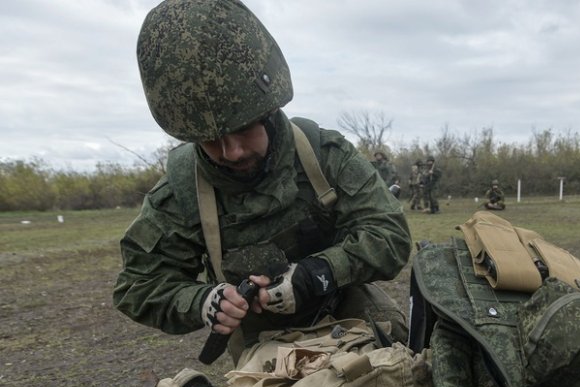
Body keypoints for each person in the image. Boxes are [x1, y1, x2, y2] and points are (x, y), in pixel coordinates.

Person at [114, 0, 412, 362]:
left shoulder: (322, 154)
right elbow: (137, 286)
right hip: (263, 352)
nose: (232, 151)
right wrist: (205, 301)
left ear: (269, 109)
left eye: (243, 129)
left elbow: (390, 235)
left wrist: (318, 273)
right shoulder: (180, 194)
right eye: (209, 140)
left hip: (352, 321)